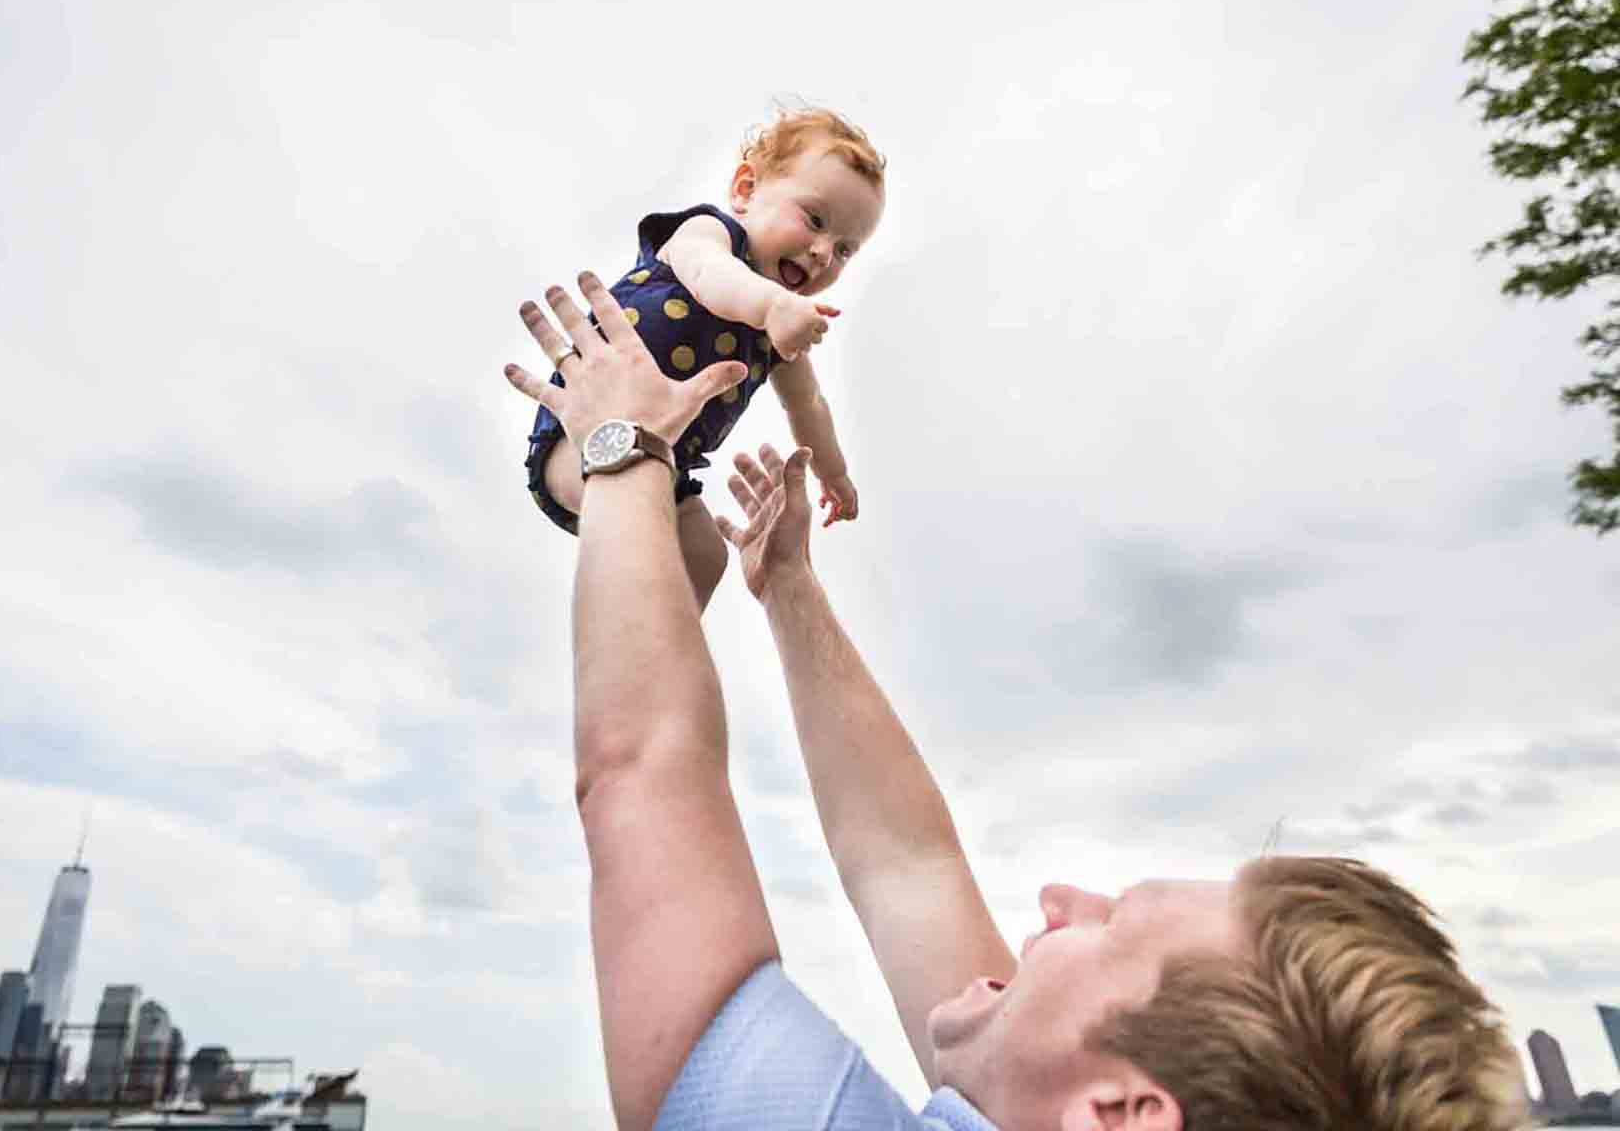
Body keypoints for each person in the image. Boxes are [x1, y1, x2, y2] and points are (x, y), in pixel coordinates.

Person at [501, 275, 1530, 1130]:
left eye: (1110, 925)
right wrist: (792, 595)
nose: (1056, 901)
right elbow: (910, 865)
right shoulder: (1035, 1086)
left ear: (1125, 1112)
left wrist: (625, 448)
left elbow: (644, 775)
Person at [523, 106, 885, 611]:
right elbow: (711, 278)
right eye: (815, 220)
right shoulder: (708, 235)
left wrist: (835, 474)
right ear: (745, 190)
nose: (823, 251)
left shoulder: (779, 331)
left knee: (706, 555)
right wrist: (774, 306)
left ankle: (652, 649)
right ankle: (621, 603)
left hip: (664, 470)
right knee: (628, 499)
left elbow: (809, 408)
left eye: (845, 249)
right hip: (585, 433)